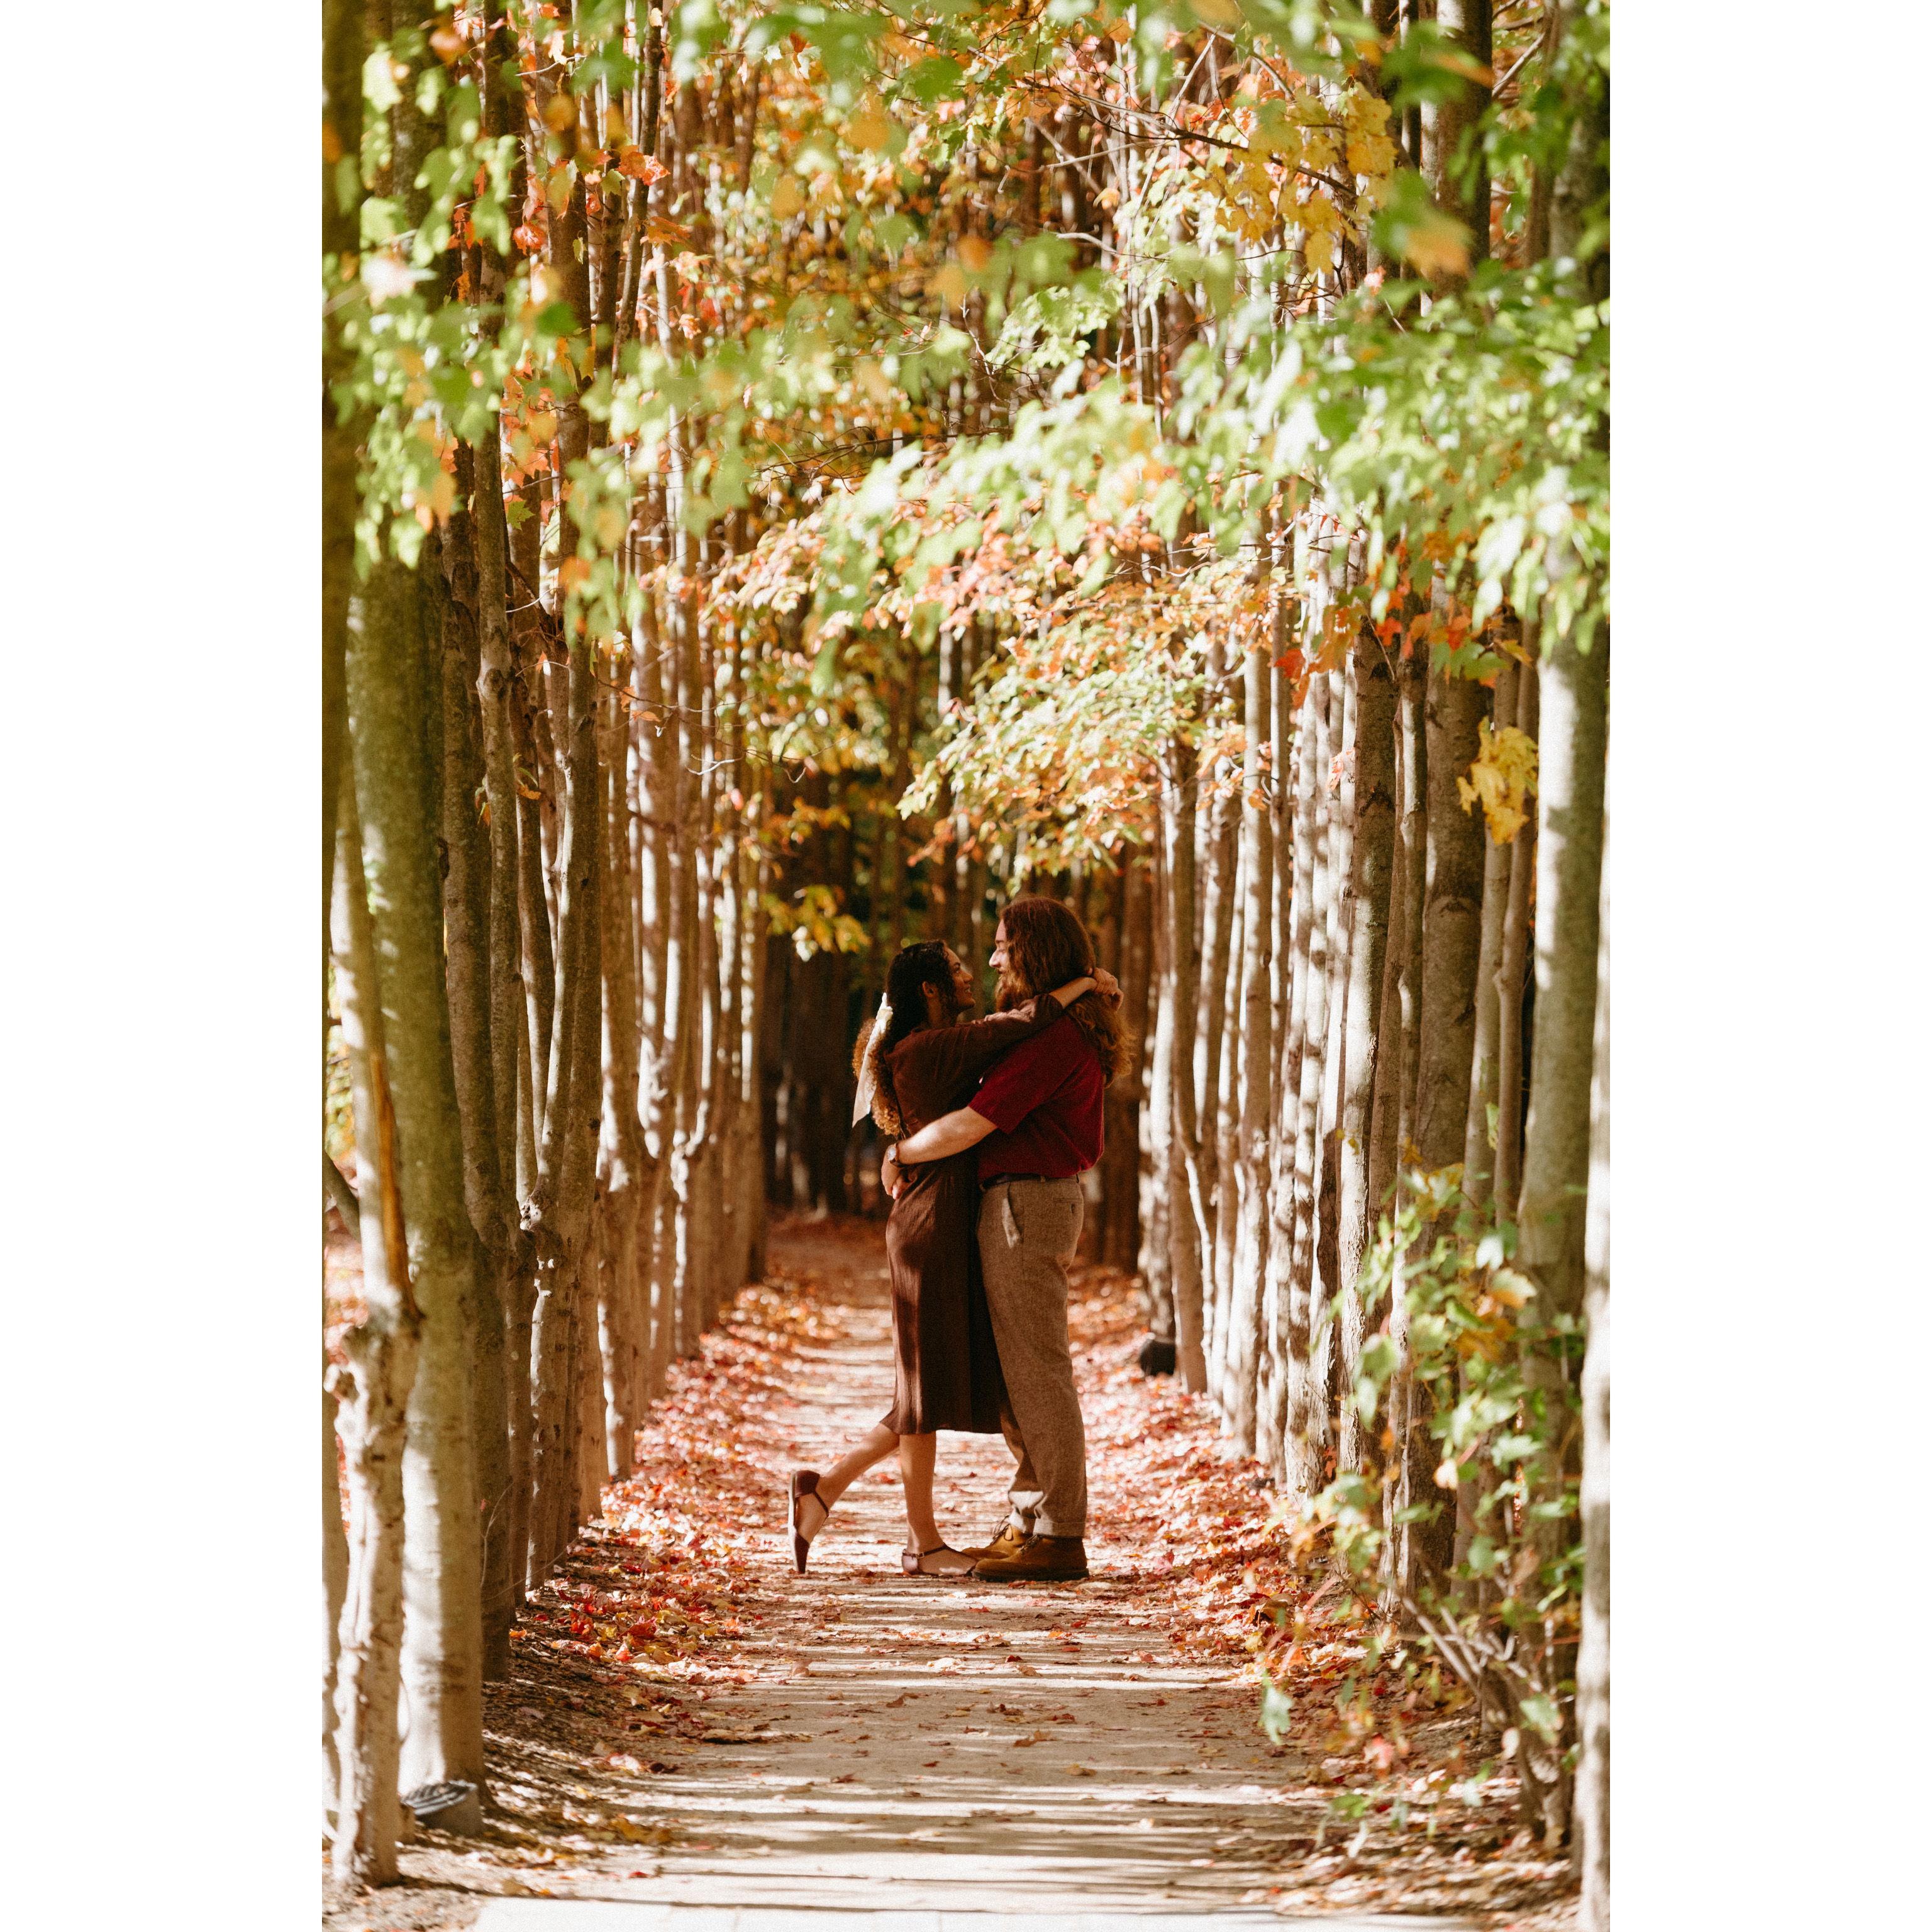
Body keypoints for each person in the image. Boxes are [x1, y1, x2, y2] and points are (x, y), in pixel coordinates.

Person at [786, 940, 1118, 1577]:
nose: (975, 974)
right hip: (931, 1225)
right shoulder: (933, 1047)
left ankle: (829, 1492)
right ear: (931, 991)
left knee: (926, 1385)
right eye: (960, 969)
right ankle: (915, 1538)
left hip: (944, 1217)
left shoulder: (933, 1045)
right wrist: (1085, 982)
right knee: (921, 1389)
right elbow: (1020, 1023)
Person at [883, 897, 1129, 1584]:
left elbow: (972, 1123)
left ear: (1033, 953)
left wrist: (901, 1154)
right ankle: (1031, 1516)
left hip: (1029, 1202)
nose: (992, 961)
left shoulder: (1055, 1040)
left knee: (1037, 1369)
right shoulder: (1047, 1027)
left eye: (1002, 947)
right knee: (1017, 1373)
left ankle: (1059, 1531)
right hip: (1020, 1201)